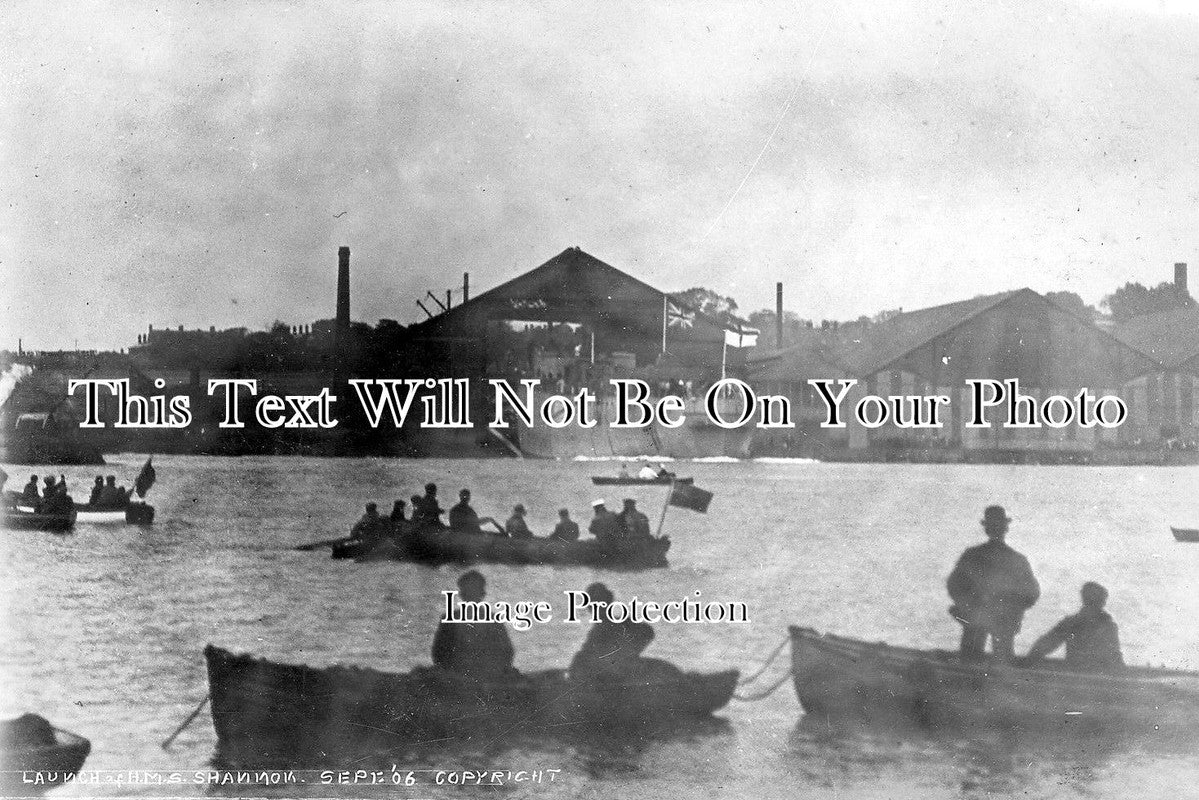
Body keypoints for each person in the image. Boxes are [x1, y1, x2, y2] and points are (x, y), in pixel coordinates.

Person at [947, 505, 1040, 662]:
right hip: (1001, 620)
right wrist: (1014, 609)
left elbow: (953, 585)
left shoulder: (972, 555)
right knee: (1003, 664)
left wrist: (967, 606)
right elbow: (1032, 593)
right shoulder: (1017, 559)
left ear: (986, 528)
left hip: (976, 618)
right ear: (1006, 528)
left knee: (970, 662)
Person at [568, 582, 682, 684]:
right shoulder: (620, 622)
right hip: (622, 669)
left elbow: (584, 656)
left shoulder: (604, 627)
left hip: (615, 674)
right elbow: (648, 632)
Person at [431, 570, 516, 679]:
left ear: (482, 594)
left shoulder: (494, 620)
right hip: (456, 675)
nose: (471, 595)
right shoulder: (448, 620)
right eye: (468, 591)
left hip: (487, 674)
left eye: (473, 591)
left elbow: (507, 653)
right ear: (462, 594)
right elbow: (438, 653)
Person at [1023, 582, 1124, 671]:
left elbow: (1044, 645)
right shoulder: (1072, 623)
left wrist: (1027, 663)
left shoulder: (1107, 626)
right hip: (1082, 678)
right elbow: (1045, 644)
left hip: (1086, 678)